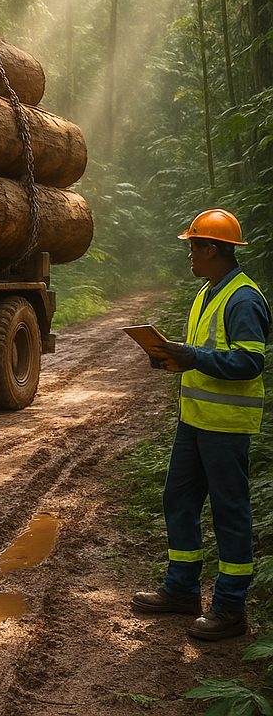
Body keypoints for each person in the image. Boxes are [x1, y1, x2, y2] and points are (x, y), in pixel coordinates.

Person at [131, 209, 270, 641]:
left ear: (212, 249)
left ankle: (229, 608)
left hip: (225, 424)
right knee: (178, 498)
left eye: (193, 246)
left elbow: (250, 362)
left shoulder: (244, 299)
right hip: (194, 420)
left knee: (229, 512)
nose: (189, 254)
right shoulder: (209, 291)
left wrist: (193, 357)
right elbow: (208, 355)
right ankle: (182, 590)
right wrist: (175, 358)